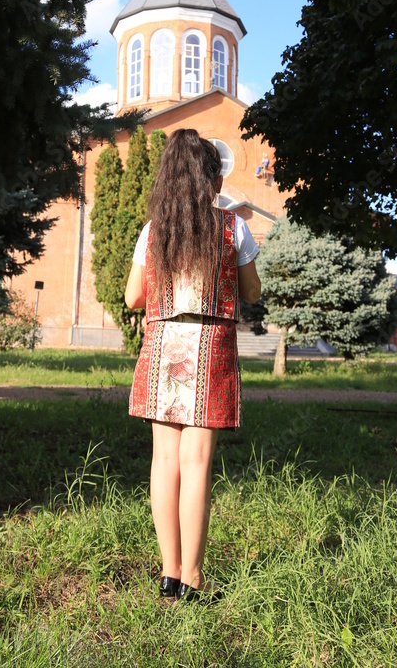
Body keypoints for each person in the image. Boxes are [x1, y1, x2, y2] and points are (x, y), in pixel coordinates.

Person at [125, 129, 262, 603]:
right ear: (211, 176)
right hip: (211, 344)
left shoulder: (154, 230)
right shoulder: (233, 226)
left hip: (164, 341)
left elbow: (132, 297)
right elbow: (251, 293)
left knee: (164, 460)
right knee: (197, 463)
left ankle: (169, 573)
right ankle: (194, 578)